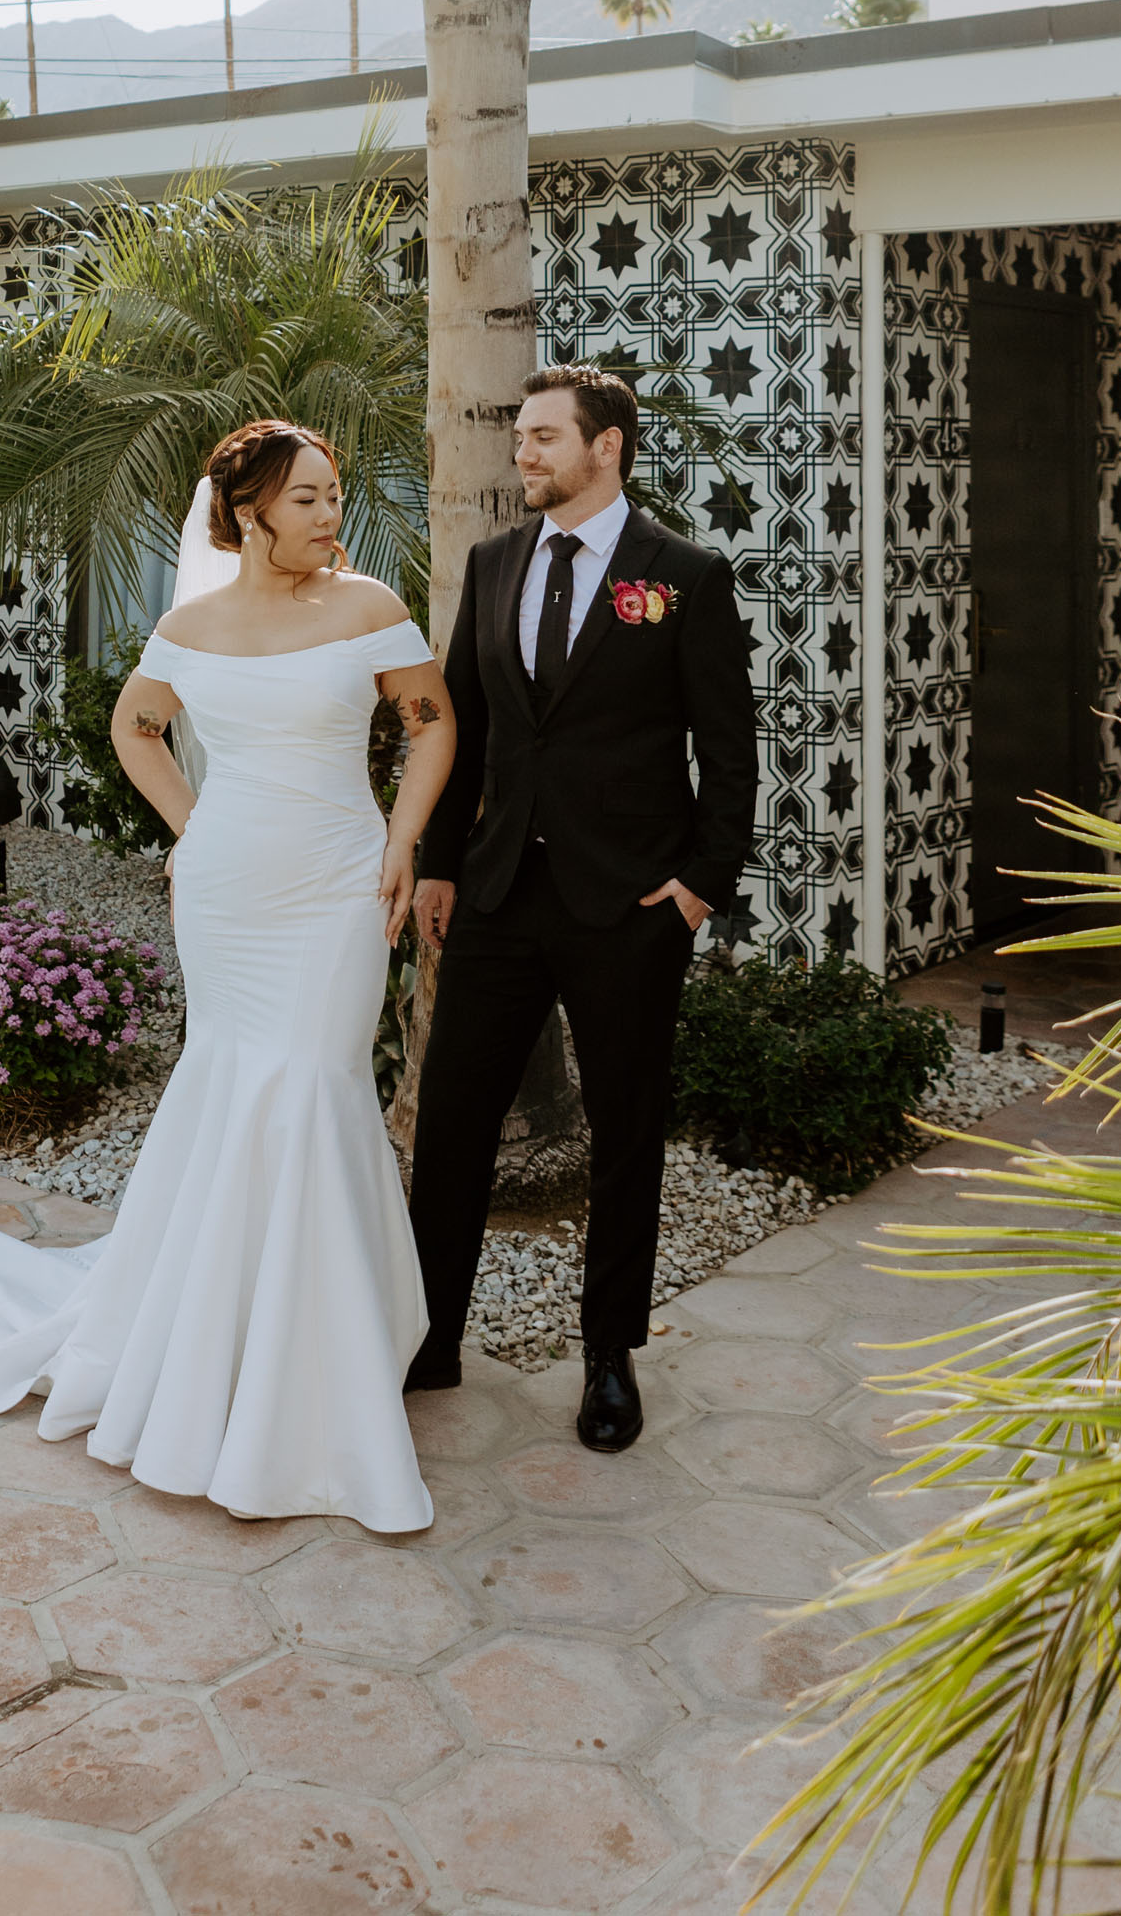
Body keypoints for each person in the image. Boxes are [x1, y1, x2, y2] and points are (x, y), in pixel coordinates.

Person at [0, 417, 456, 1533]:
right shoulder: (188, 626)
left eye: (335, 496)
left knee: (319, 1083)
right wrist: (192, 826)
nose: (334, 515)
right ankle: (227, 1349)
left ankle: (321, 1353)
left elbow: (432, 726)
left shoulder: (370, 607)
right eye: (312, 499)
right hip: (230, 891)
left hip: (335, 882)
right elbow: (140, 730)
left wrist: (402, 842)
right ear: (249, 513)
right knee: (237, 1081)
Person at [404, 362, 757, 1452]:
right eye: (521, 437)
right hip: (500, 895)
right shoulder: (493, 562)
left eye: (546, 438)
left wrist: (699, 887)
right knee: (454, 1124)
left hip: (627, 907)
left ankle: (609, 1357)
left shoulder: (684, 577)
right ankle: (429, 1336)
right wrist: (439, 863)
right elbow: (467, 730)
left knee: (624, 1136)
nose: (525, 454)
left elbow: (730, 750)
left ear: (607, 447)